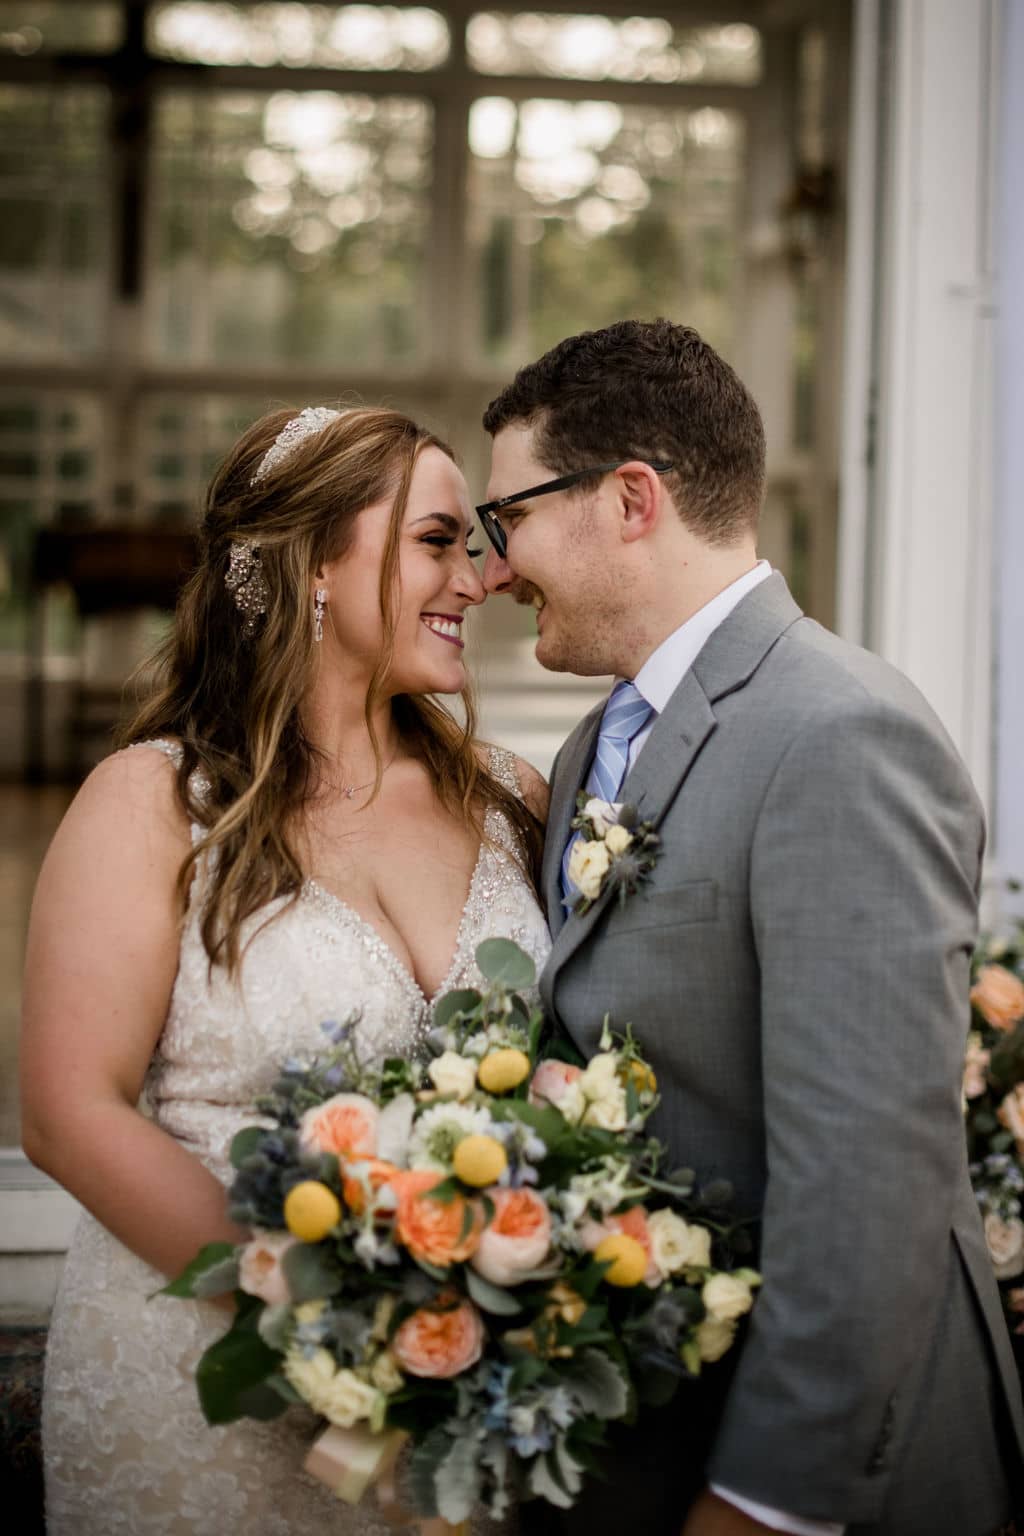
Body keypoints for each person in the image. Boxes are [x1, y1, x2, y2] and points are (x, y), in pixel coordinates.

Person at [476, 318, 1024, 1536]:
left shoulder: (839, 734)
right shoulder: (593, 746)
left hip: (826, 1471)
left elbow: (870, 1168)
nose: (494, 566)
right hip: (657, 1426)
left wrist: (770, 1500)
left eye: (505, 516)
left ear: (629, 499)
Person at [21, 404, 550, 1535]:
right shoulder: (157, 803)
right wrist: (337, 1331)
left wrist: (448, 1343)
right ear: (313, 561)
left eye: (476, 542)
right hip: (197, 1397)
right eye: (438, 540)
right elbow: (71, 1114)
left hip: (451, 1411)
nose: (480, 575)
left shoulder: (511, 800)